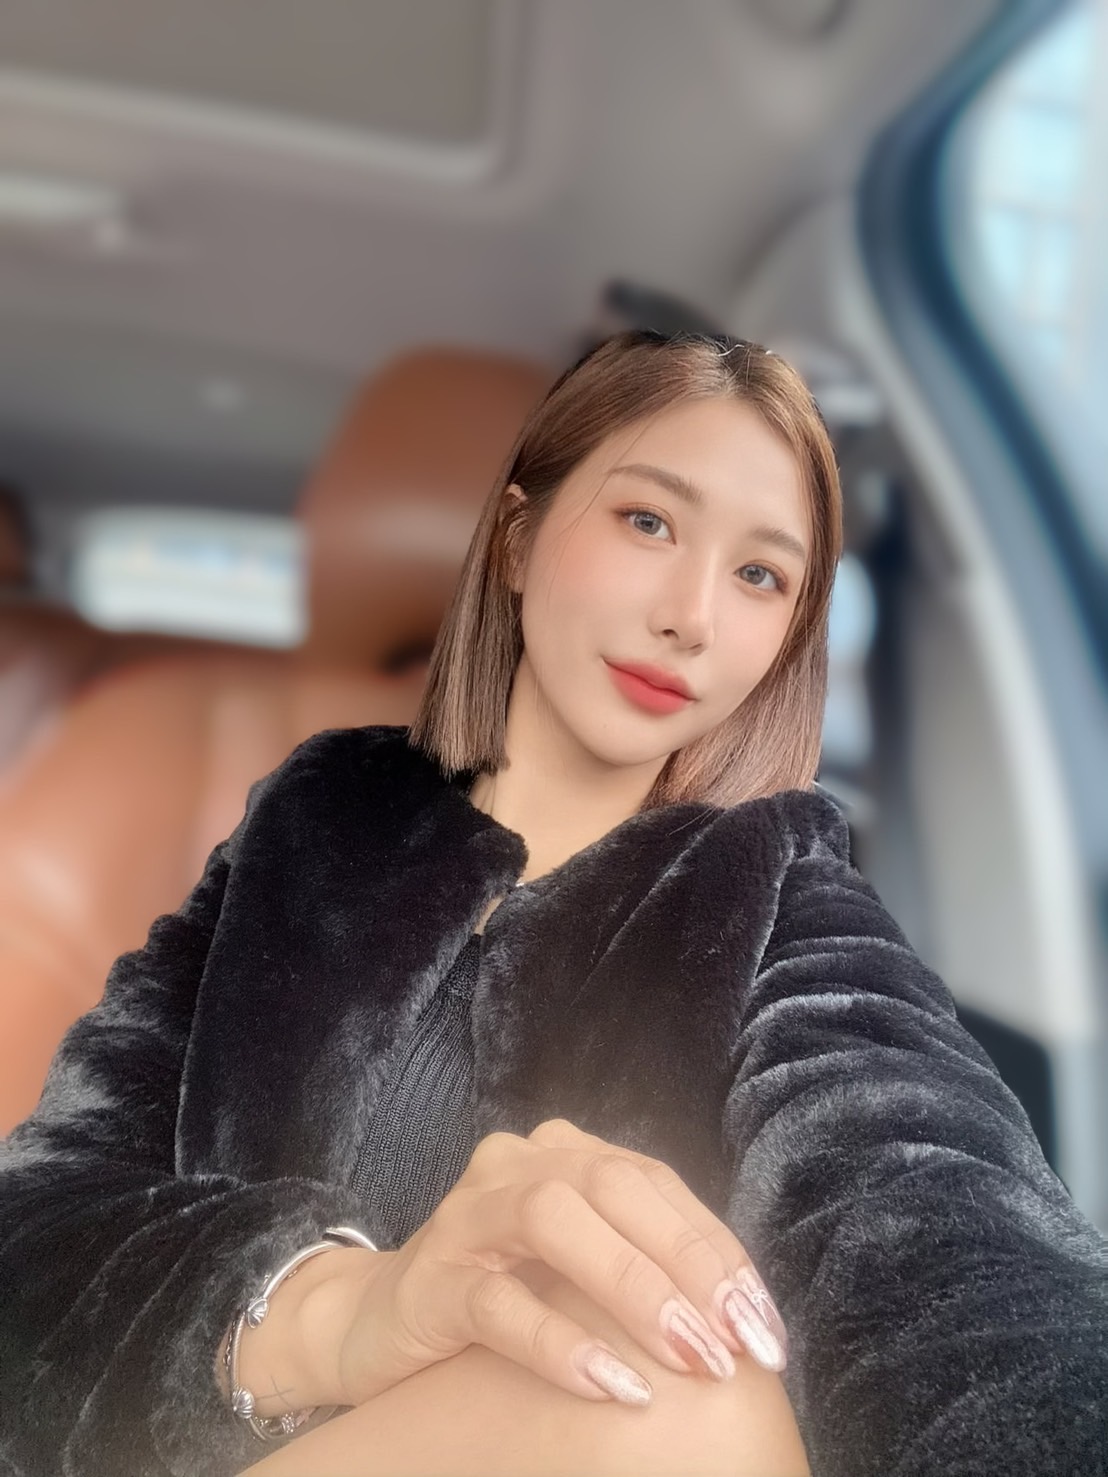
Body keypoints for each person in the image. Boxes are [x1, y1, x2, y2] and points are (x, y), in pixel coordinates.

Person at [1, 331, 1104, 1477]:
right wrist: (341, 1312)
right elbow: (35, 1229)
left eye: (760, 575)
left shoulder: (779, 891)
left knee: (679, 1397)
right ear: (518, 539)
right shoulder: (315, 811)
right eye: (648, 521)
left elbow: (942, 1224)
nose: (691, 615)